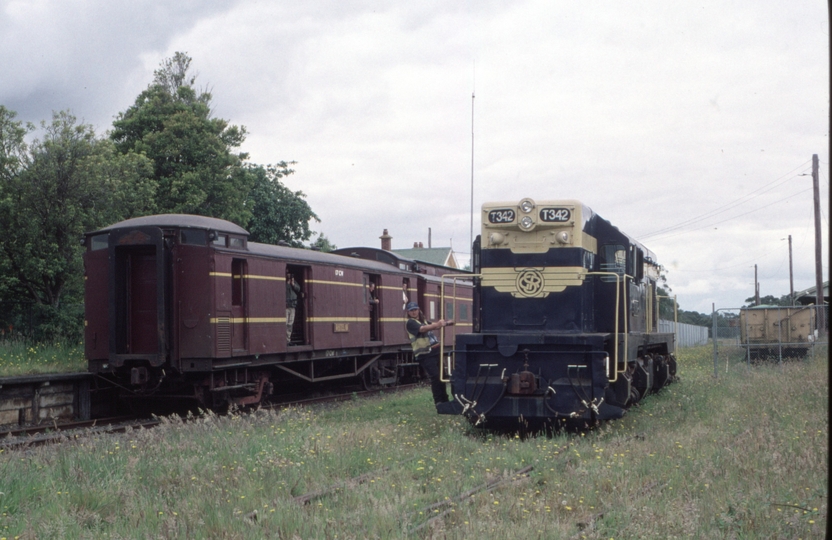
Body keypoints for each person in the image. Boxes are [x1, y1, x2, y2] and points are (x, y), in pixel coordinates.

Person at [405, 301, 453, 407]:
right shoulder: (410, 323)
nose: (414, 312)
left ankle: (445, 400)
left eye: (415, 310)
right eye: (411, 311)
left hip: (435, 352)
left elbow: (435, 326)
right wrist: (438, 324)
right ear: (408, 312)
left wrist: (448, 323)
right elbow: (423, 329)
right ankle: (439, 402)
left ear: (418, 310)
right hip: (425, 354)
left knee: (441, 376)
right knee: (435, 376)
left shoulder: (423, 321)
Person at [286, 273, 303, 342]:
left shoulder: (294, 282)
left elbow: (298, 289)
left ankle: (287, 339)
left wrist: (293, 284)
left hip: (293, 306)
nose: (289, 276)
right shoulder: (284, 282)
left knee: (290, 323)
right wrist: (287, 284)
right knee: (285, 323)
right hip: (286, 306)